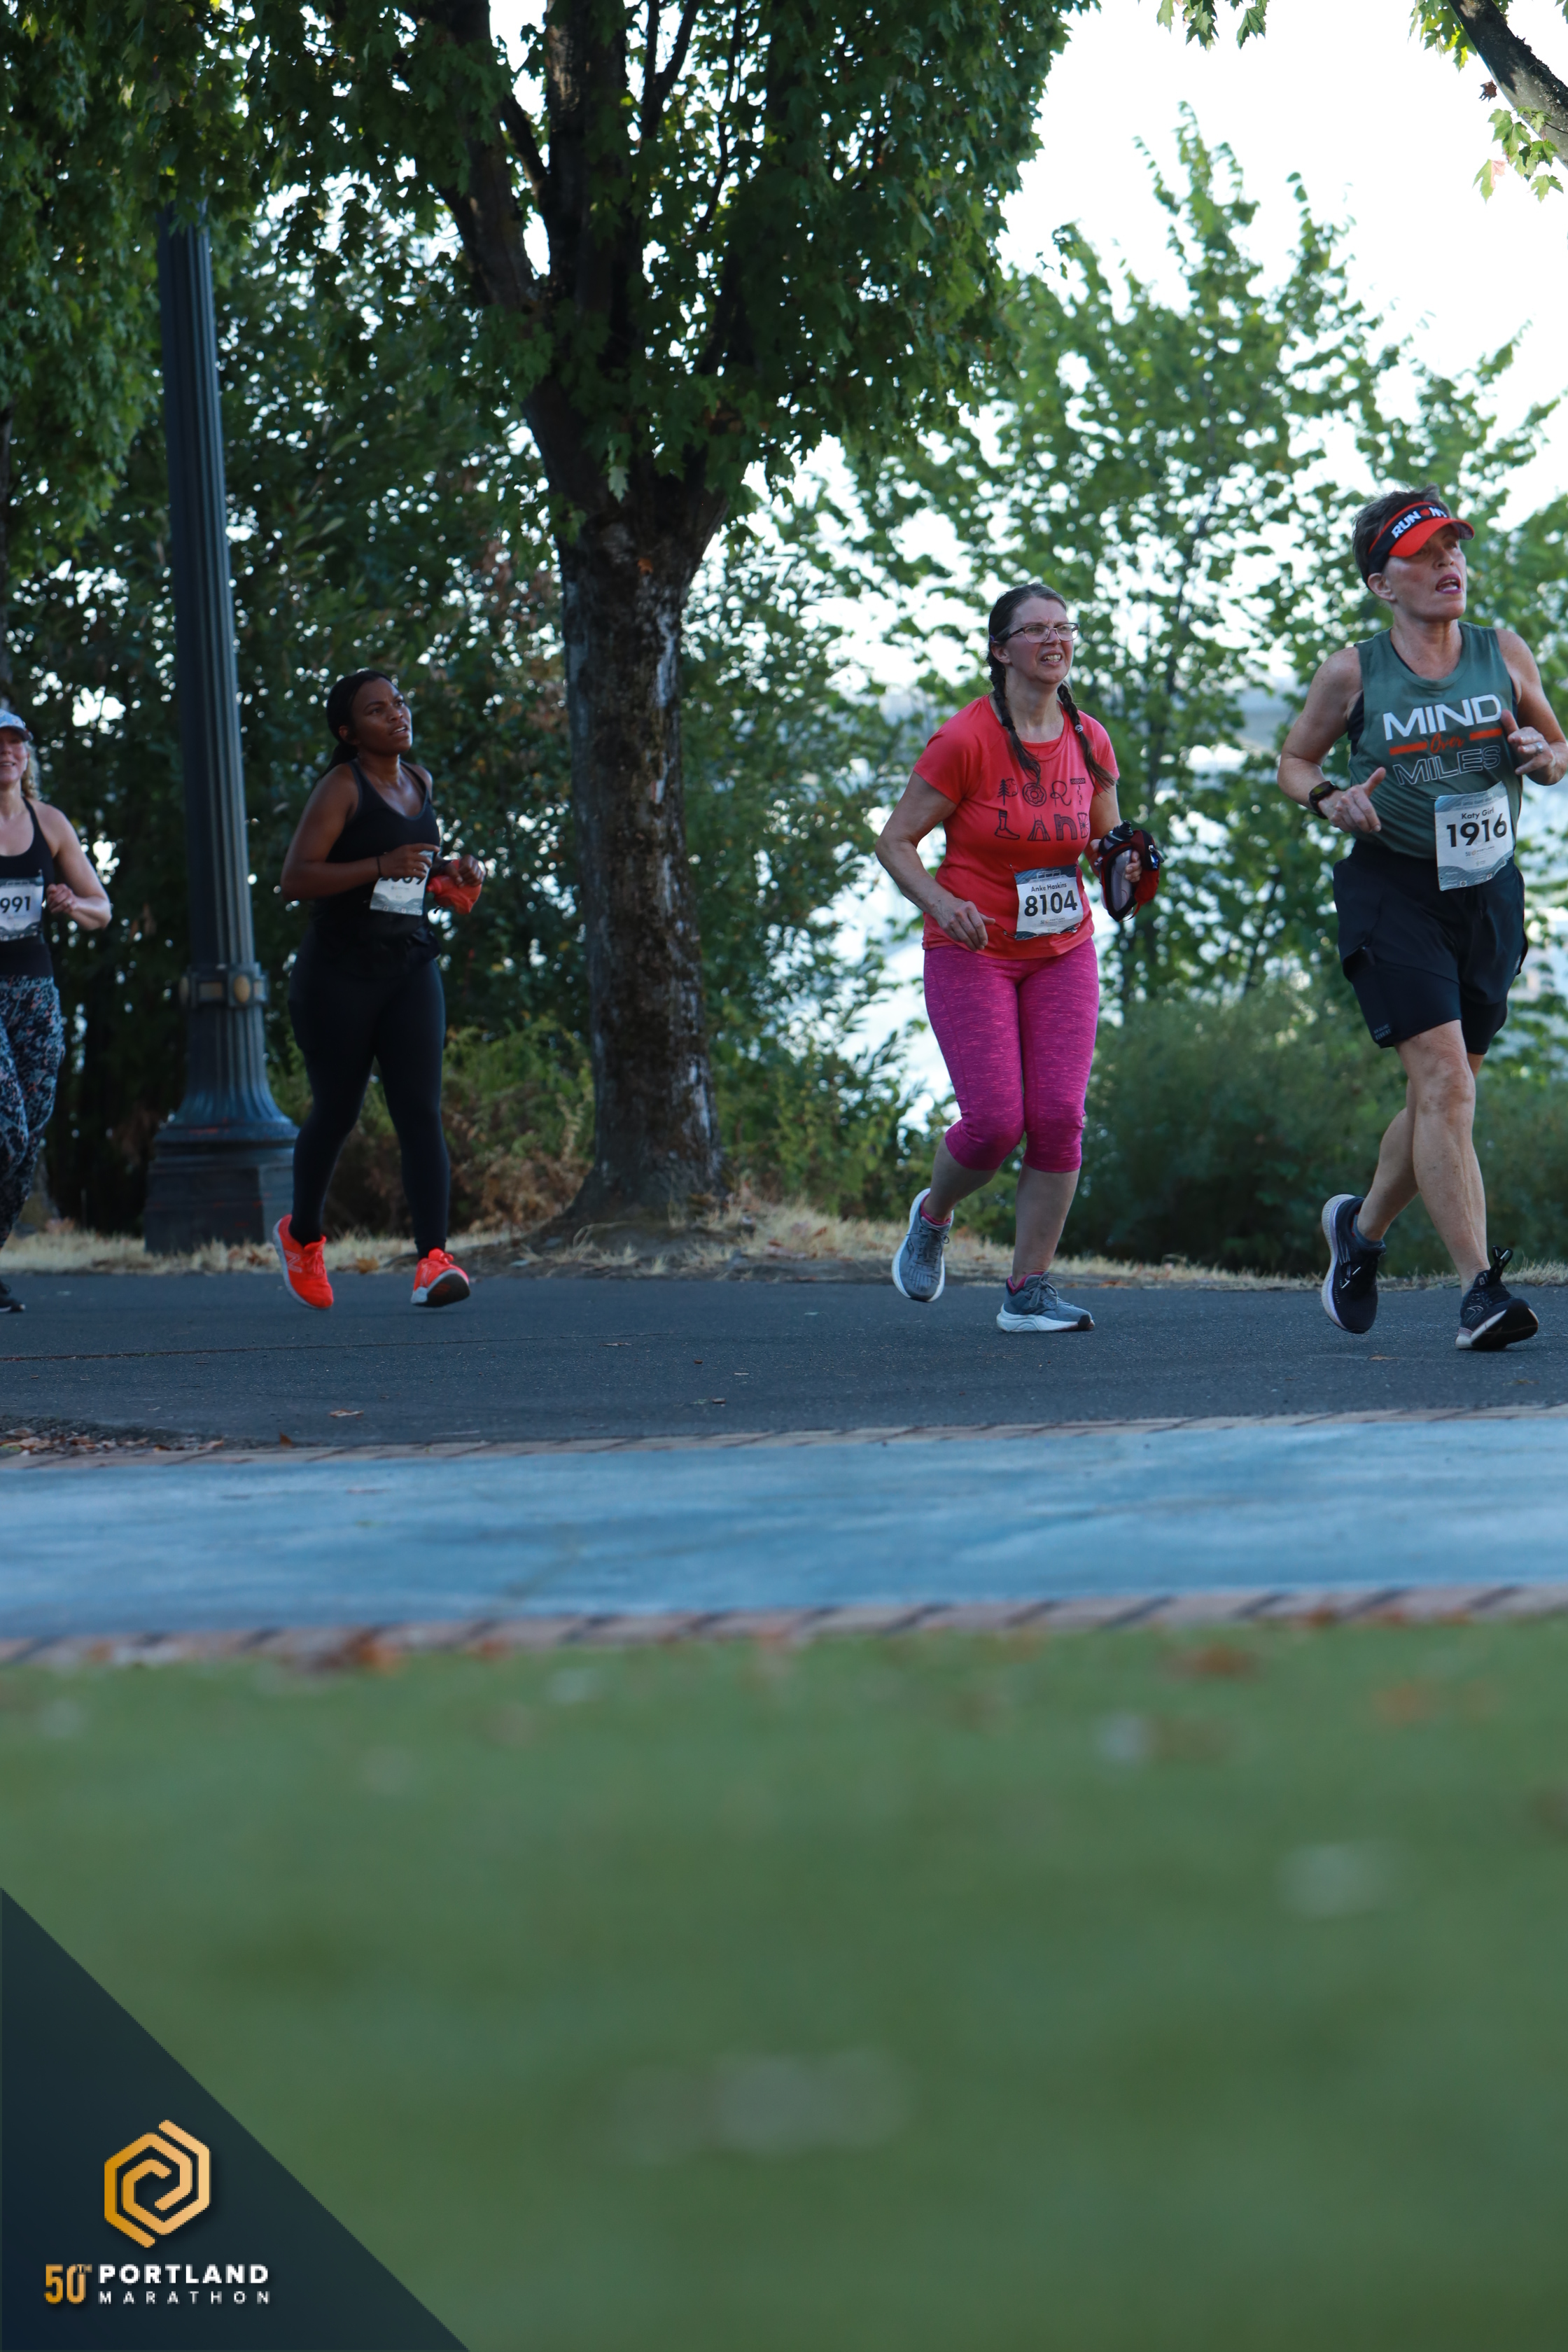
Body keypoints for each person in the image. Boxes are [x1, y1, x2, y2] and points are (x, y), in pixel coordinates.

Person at [1279, 488, 1567, 1352]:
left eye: (1453, 548)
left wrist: (1539, 756)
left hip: (1485, 896)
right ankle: (1479, 1291)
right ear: (1380, 584)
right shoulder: (1352, 672)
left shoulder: (1501, 652)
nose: (1448, 565)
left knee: (1444, 1094)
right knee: (1445, 1085)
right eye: (1424, 555)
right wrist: (1329, 798)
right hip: (1393, 893)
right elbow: (1294, 761)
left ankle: (1358, 1231)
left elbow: (1557, 750)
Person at [875, 584, 1144, 1334]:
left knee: (1058, 1118)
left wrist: (1125, 865)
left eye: (1064, 628)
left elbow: (1103, 843)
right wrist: (940, 903)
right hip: (974, 949)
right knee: (995, 1123)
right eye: (1036, 631)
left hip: (1062, 950)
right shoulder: (964, 740)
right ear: (1000, 651)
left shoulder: (1088, 738)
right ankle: (934, 1215)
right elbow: (894, 842)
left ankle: (1027, 1291)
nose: (1055, 641)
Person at [276, 670, 484, 1312]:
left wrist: (450, 877)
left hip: (409, 964)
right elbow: (295, 878)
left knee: (419, 1110)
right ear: (349, 732)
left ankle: (433, 1261)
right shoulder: (342, 787)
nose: (396, 714)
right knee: (337, 1112)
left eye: (398, 702)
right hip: (338, 975)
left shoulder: (420, 780)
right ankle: (302, 1237)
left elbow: (411, 876)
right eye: (377, 710)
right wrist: (378, 866)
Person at [0, 708, 112, 1312]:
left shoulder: (51, 823)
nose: (6, 752)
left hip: (35, 992)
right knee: (7, 1129)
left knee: (29, 1137)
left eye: (15, 742)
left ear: (27, 755)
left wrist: (71, 904)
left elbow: (102, 910)